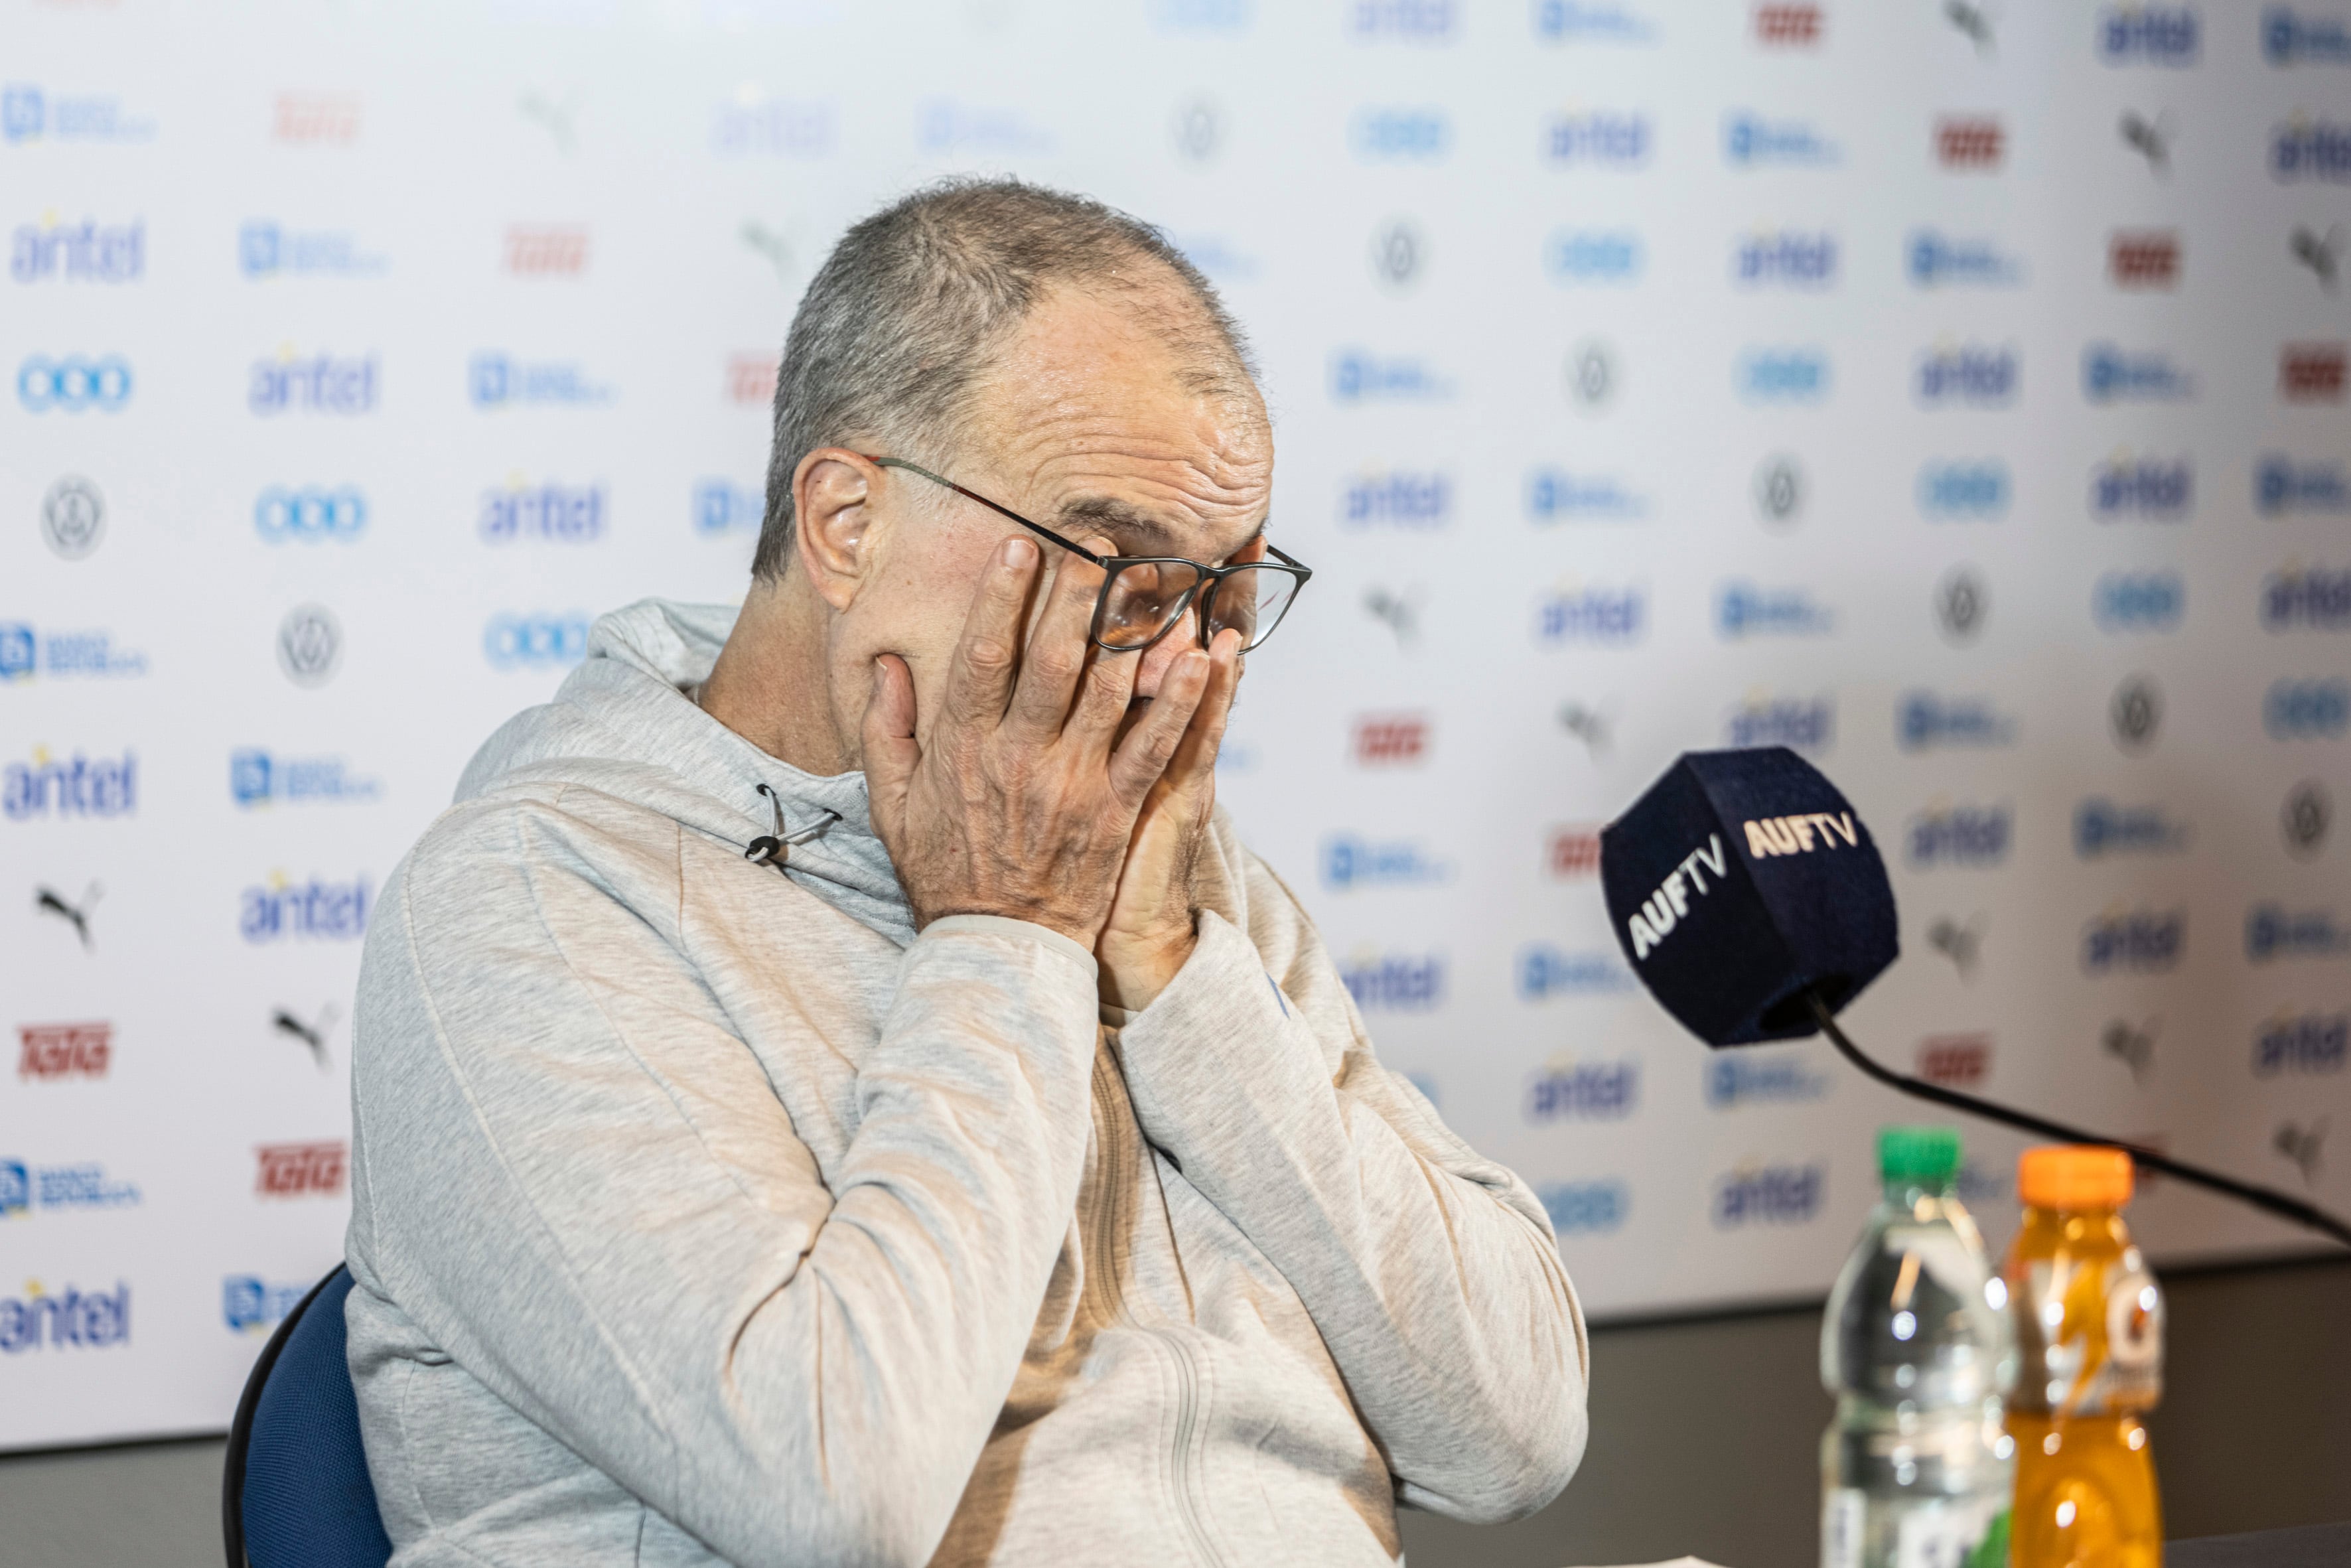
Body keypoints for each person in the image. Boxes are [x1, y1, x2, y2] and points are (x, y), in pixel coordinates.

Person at [345, 177, 1588, 1568]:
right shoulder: (526, 905)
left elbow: (1516, 1434)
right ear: (843, 525)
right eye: (1118, 573)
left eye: (1222, 597)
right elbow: (835, 1491)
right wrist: (1008, 935)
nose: (1178, 668)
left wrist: (1179, 980)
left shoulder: (1168, 867)